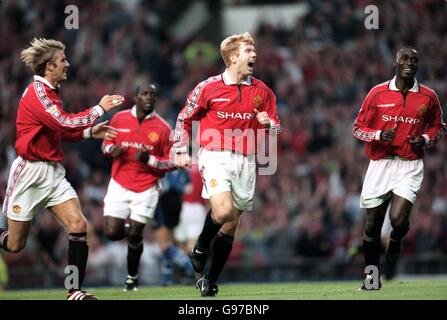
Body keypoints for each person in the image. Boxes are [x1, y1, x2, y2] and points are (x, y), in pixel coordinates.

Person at [0, 38, 124, 300]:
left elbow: (60, 132)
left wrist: (90, 131)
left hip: (53, 173)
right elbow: (64, 123)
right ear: (48, 66)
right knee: (14, 244)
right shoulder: (37, 93)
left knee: (78, 224)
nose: (67, 64)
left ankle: (74, 291)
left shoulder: (52, 92)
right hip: (30, 174)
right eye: (62, 61)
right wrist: (99, 109)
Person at [173, 32, 281, 297]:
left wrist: (270, 124)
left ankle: (209, 281)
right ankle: (200, 246)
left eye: (254, 50)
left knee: (231, 223)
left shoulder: (263, 91)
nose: (254, 54)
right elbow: (184, 118)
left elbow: (277, 127)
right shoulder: (208, 87)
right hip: (215, 154)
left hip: (246, 160)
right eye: (248, 50)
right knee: (221, 212)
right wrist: (179, 149)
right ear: (233, 57)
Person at [352, 47, 444, 290]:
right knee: (371, 226)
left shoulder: (428, 97)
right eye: (405, 58)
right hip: (380, 164)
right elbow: (358, 128)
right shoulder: (377, 93)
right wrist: (380, 134)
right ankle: (372, 280)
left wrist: (424, 139)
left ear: (418, 65)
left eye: (414, 60)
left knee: (397, 220)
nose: (410, 63)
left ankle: (396, 238)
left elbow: (438, 127)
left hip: (409, 165)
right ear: (395, 61)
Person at [101, 83, 178, 291]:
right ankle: (132, 229)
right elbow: (105, 144)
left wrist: (150, 160)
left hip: (147, 187)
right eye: (145, 93)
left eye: (153, 94)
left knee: (135, 235)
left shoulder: (163, 128)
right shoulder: (119, 119)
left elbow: (172, 162)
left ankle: (132, 279)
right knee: (111, 233)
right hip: (119, 183)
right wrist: (111, 149)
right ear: (136, 97)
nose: (149, 97)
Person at [152, 169, 195, 286]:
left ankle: (191, 267)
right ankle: (167, 278)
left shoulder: (161, 158)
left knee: (164, 245)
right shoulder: (180, 163)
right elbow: (188, 186)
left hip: (163, 200)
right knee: (169, 241)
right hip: (176, 200)